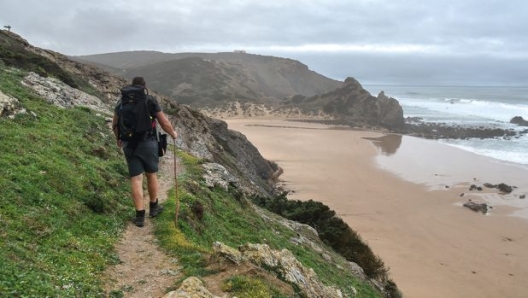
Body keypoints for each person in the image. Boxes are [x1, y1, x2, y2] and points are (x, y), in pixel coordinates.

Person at [112, 77, 178, 227]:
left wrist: (118, 139)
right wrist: (173, 133)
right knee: (151, 175)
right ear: (144, 87)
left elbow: (115, 123)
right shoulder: (150, 100)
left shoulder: (121, 102)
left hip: (130, 144)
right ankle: (154, 207)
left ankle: (139, 216)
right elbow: (164, 122)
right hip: (148, 143)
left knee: (136, 179)